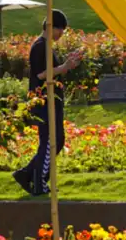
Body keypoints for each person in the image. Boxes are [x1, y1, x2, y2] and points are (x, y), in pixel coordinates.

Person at [13, 10, 83, 195]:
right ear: (51, 27)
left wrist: (66, 66)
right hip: (45, 101)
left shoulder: (46, 46)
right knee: (51, 140)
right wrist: (64, 66)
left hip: (52, 99)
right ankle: (39, 182)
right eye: (60, 29)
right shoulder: (40, 47)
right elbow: (41, 74)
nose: (61, 34)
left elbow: (51, 71)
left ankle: (27, 174)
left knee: (57, 140)